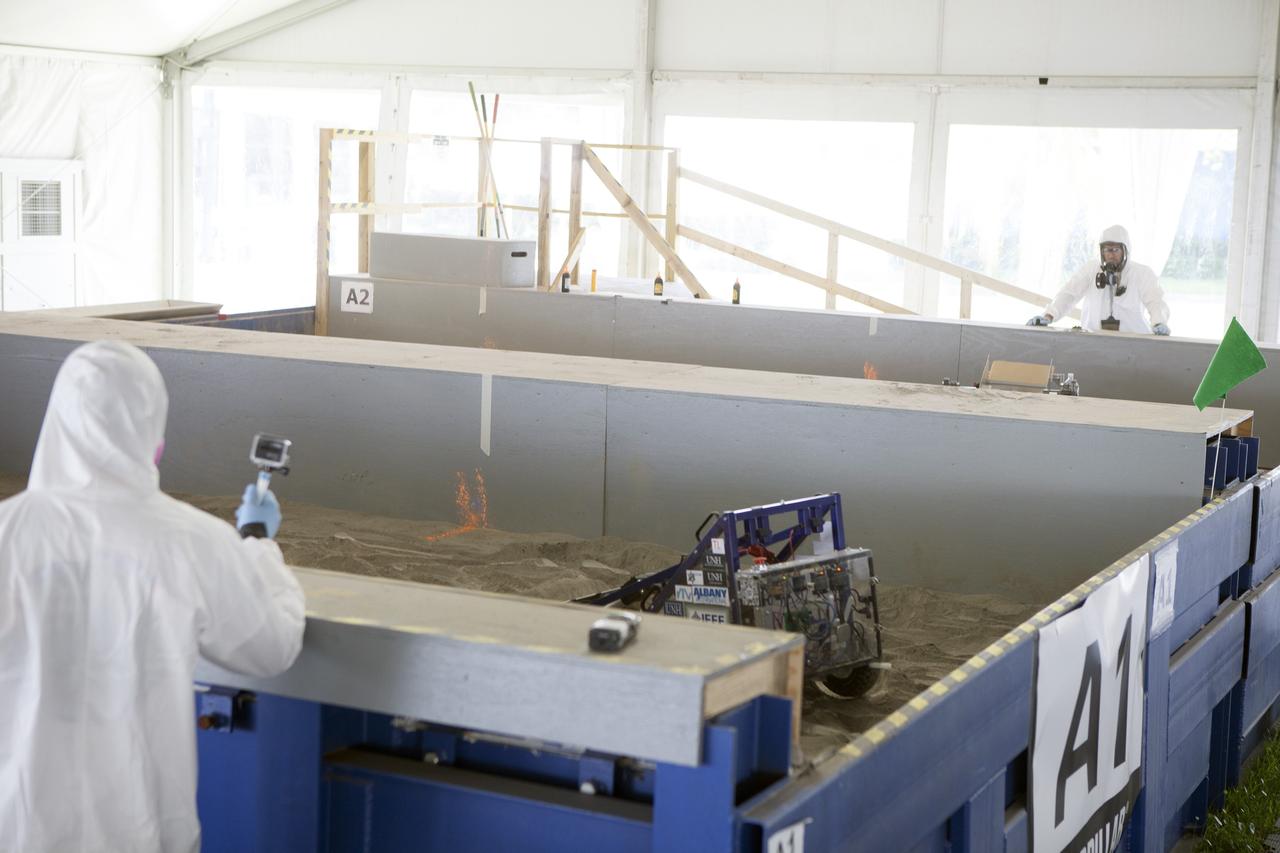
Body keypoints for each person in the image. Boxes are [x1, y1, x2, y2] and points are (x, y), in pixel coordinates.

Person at [0, 341, 305, 852]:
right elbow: (271, 644)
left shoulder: (8, 533)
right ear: (154, 439)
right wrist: (256, 543)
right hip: (138, 829)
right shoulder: (191, 540)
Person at [1026, 225, 1171, 335]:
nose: (1111, 255)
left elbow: (1156, 301)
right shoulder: (1091, 269)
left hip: (1133, 342)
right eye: (1107, 250)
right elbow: (1069, 294)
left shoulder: (1142, 274)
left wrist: (1159, 322)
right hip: (1094, 341)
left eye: (1115, 250)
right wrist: (1049, 316)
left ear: (1125, 251)